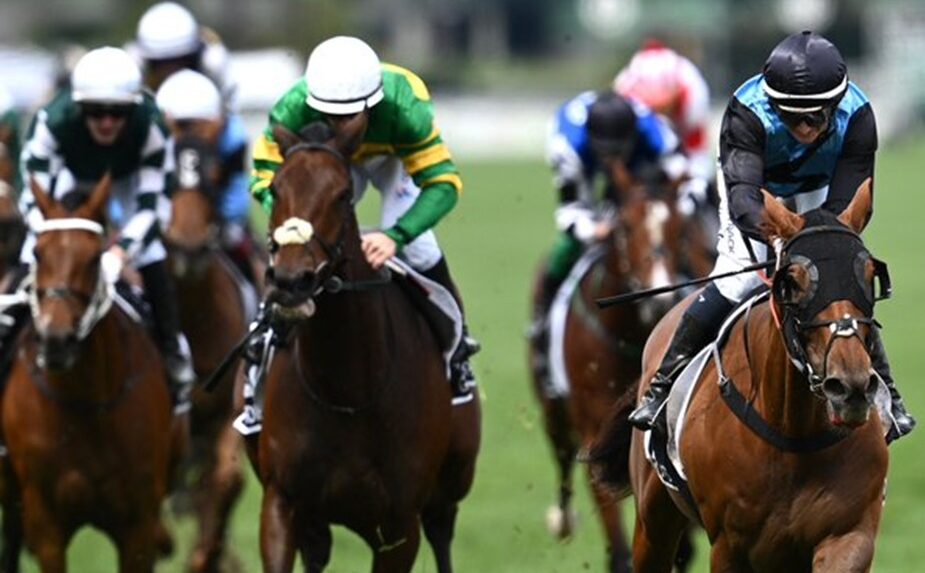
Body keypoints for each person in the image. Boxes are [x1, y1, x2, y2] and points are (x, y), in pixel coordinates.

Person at [628, 30, 915, 442]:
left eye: (813, 117)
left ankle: (888, 396)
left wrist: (817, 248)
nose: (802, 127)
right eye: (789, 115)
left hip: (821, 189)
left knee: (839, 281)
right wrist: (782, 243)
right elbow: (744, 196)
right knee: (738, 280)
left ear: (834, 105)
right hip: (760, 190)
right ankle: (662, 386)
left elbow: (852, 193)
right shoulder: (747, 112)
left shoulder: (859, 115)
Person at [249, 35, 478, 393]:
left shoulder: (406, 107)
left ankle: (457, 346)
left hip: (391, 160)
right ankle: (260, 351)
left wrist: (396, 236)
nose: (341, 126)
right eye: (330, 115)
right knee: (295, 250)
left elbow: (443, 183)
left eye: (349, 116)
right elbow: (264, 177)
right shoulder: (290, 110)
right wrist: (291, 222)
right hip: (326, 163)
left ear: (374, 104)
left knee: (419, 249)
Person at [15, 46, 195, 409]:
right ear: (79, 107)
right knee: (29, 258)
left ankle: (171, 348)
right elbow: (32, 198)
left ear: (133, 109)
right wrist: (54, 237)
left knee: (154, 256)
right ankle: (7, 333)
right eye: (96, 111)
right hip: (66, 178)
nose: (107, 122)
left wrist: (120, 250)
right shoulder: (52, 121)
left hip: (129, 181)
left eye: (118, 112)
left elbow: (153, 206)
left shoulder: (153, 127)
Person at [534, 90, 687, 349]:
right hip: (587, 172)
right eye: (607, 154)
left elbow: (682, 169)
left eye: (618, 152)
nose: (613, 161)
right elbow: (570, 211)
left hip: (641, 166)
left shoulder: (654, 132)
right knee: (566, 247)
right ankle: (543, 320)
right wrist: (596, 229)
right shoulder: (568, 145)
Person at [132, 1, 254, 281]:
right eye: (161, 64)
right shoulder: (135, 84)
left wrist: (229, 220)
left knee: (242, 241)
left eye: (180, 61)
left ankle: (256, 294)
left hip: (211, 149)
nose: (170, 71)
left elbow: (232, 140)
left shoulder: (216, 68)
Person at [615, 39, 713, 215]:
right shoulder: (624, 91)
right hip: (643, 145)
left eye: (663, 105)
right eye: (652, 108)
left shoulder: (693, 93)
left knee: (709, 188)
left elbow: (698, 156)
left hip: (684, 138)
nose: (658, 112)